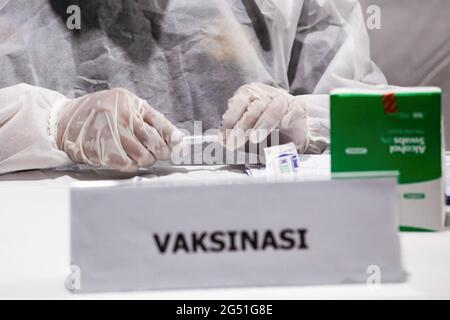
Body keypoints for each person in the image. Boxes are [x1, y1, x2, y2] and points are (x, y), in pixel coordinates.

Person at [0, 0, 386, 174]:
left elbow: (386, 124)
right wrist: (51, 121)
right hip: (45, 241)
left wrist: (306, 123)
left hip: (258, 235)